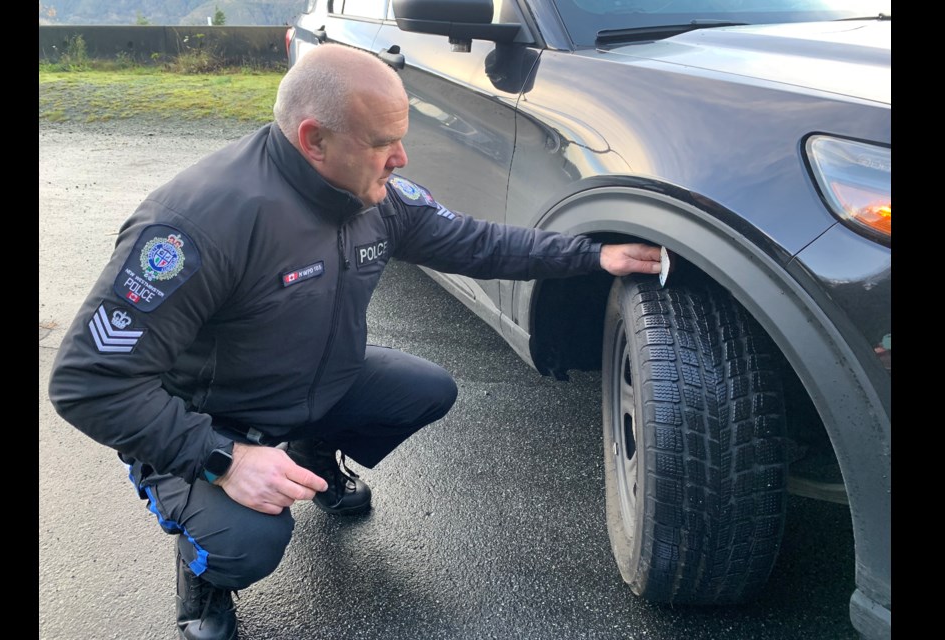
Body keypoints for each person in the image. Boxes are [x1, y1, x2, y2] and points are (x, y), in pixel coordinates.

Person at [47, 43, 662, 640]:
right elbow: (86, 381)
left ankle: (311, 454)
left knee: (426, 389)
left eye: (401, 137)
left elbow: (475, 241)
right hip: (213, 420)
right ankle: (203, 567)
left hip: (311, 382)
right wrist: (223, 459)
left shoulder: (374, 196)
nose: (401, 160)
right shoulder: (198, 226)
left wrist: (592, 255)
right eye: (381, 144)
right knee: (249, 543)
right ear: (314, 139)